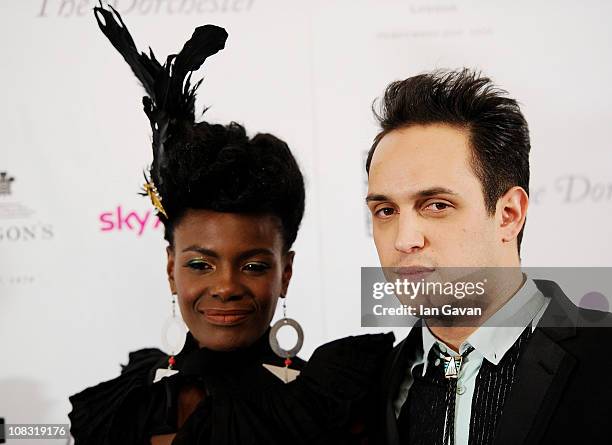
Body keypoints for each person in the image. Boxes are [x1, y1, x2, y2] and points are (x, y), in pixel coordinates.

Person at [68, 4, 393, 444]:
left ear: (286, 273)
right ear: (171, 269)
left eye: (254, 265)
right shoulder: (127, 403)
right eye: (200, 264)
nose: (225, 286)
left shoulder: (332, 403)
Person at [364, 69, 612, 444]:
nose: (404, 240)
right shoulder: (371, 383)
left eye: (436, 205)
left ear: (508, 215)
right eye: (385, 210)